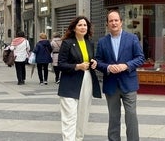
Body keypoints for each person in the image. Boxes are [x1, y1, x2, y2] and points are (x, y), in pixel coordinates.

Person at [95, 9, 145, 141]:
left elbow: (140, 58)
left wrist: (126, 65)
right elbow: (98, 62)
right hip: (111, 85)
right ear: (107, 24)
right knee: (113, 117)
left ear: (121, 22)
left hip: (129, 83)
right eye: (111, 21)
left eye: (116, 20)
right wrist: (109, 67)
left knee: (131, 116)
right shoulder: (102, 42)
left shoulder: (132, 38)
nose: (114, 23)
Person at [57, 16, 102, 141]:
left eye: (85, 25)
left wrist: (93, 63)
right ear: (74, 28)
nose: (83, 27)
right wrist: (77, 66)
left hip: (87, 80)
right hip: (69, 83)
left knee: (83, 115)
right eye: (80, 25)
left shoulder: (89, 43)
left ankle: (79, 138)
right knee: (69, 117)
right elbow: (60, 64)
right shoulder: (67, 43)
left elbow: (90, 59)